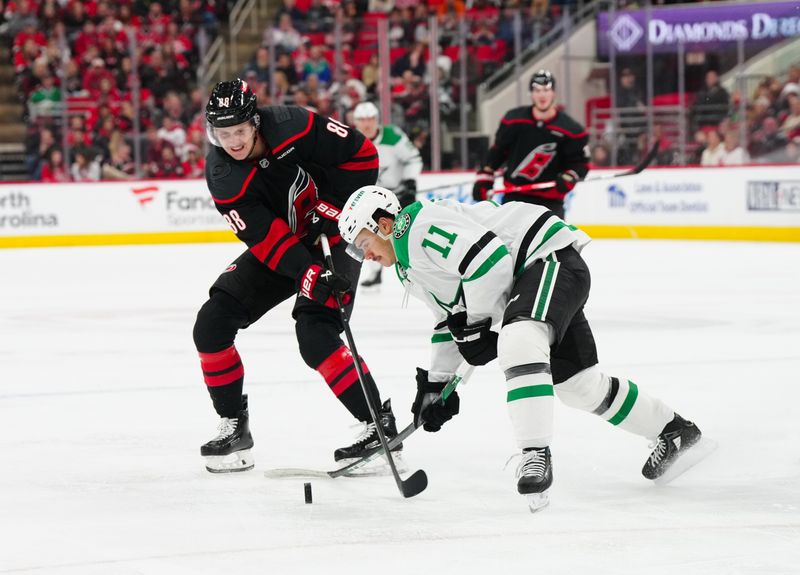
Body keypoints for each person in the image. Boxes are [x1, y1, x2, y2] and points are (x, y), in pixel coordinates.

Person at [337, 186, 707, 512]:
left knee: (517, 337)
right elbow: (447, 319)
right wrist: (435, 384)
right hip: (531, 279)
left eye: (363, 243)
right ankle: (673, 431)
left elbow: (489, 262)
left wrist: (480, 325)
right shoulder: (407, 266)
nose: (363, 255)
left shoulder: (417, 229)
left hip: (546, 259)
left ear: (385, 224)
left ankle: (534, 454)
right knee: (578, 387)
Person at [194, 78, 402, 473]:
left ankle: (378, 423)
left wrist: (339, 211)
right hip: (287, 246)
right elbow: (266, 238)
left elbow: (361, 155)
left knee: (315, 333)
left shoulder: (294, 125)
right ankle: (235, 426)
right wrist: (308, 272)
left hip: (338, 235)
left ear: (255, 122)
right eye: (223, 134)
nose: (233, 142)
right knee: (211, 323)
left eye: (239, 131)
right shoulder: (222, 174)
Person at [472, 70, 589, 219]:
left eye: (546, 90)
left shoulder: (571, 129)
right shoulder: (513, 120)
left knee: (555, 243)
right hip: (514, 199)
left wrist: (570, 176)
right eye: (537, 90)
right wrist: (485, 177)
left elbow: (580, 164)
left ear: (554, 93)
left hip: (550, 202)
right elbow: (498, 152)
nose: (542, 95)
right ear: (531, 93)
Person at [352, 101, 422, 287]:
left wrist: (410, 182)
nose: (367, 124)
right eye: (362, 120)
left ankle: (414, 267)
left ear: (377, 120)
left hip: (399, 194)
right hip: (371, 200)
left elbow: (413, 159)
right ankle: (374, 272)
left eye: (371, 119)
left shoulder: (392, 135)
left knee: (406, 231)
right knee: (368, 234)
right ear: (355, 121)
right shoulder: (351, 140)